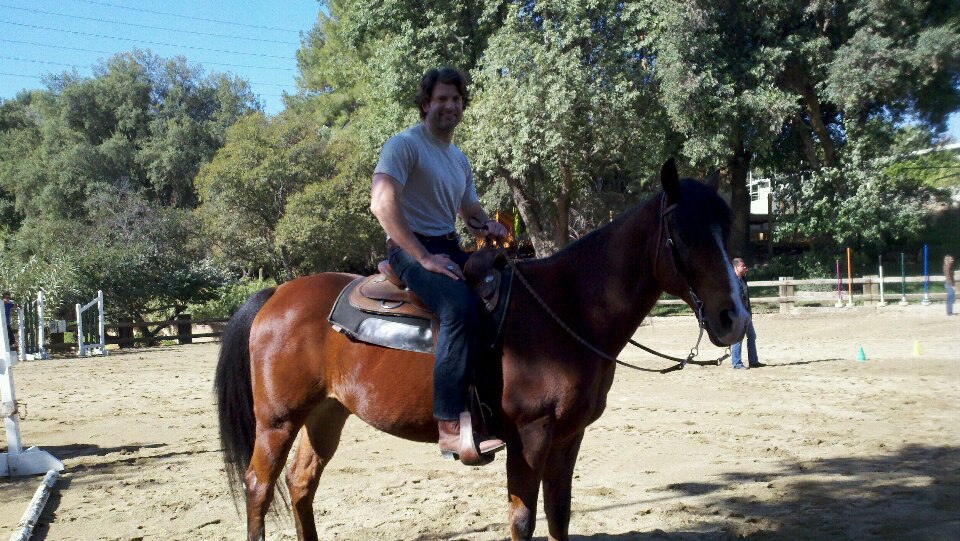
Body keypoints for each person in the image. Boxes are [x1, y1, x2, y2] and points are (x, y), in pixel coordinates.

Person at [370, 67, 508, 461]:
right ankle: (448, 425)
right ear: (426, 104)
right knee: (459, 308)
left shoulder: (458, 159)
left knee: (506, 290)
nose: (450, 105)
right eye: (442, 99)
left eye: (456, 99)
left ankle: (491, 405)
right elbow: (381, 204)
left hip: (448, 244)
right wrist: (424, 257)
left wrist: (489, 225)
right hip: (409, 247)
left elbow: (469, 211)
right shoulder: (405, 145)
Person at [730, 258, 763, 369]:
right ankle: (736, 363)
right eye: (743, 266)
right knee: (738, 339)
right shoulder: (731, 281)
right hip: (738, 315)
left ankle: (753, 361)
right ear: (736, 267)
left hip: (746, 314)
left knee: (752, 336)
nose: (745, 268)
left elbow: (745, 298)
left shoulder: (743, 279)